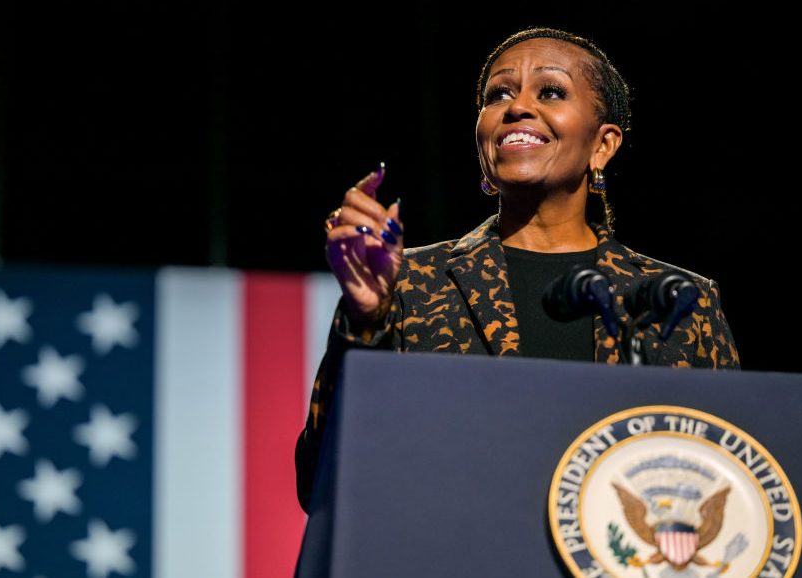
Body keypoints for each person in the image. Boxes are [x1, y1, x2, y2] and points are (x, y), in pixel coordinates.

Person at [294, 27, 741, 514]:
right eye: (498, 94)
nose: (517, 107)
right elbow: (321, 479)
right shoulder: (412, 284)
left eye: (550, 91)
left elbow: (733, 480)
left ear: (603, 145)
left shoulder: (676, 300)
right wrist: (363, 318)